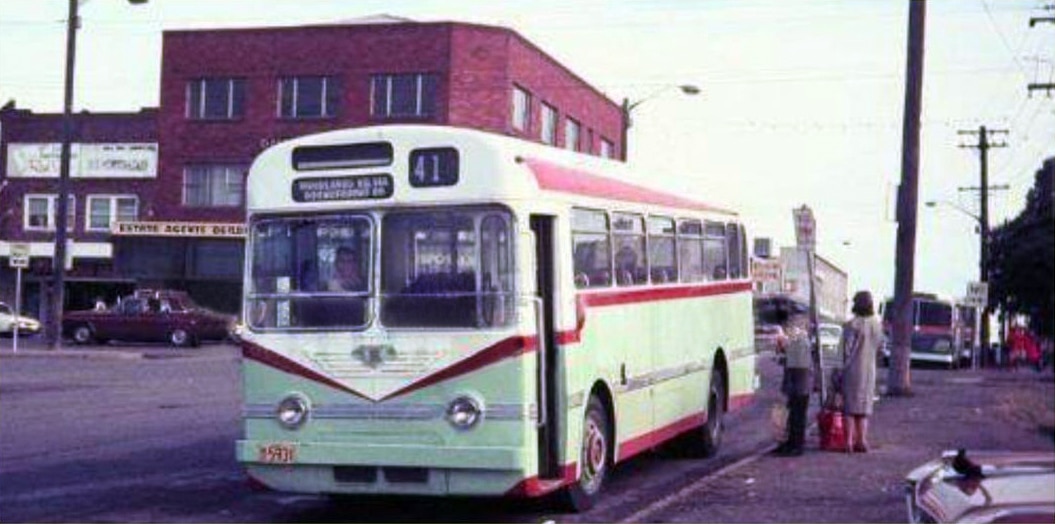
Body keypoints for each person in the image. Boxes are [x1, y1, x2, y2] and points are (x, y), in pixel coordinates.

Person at [841, 290, 884, 453]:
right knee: (864, 409)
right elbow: (880, 347)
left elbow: (846, 350)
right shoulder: (876, 325)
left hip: (852, 370)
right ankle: (862, 441)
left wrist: (838, 370)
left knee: (850, 408)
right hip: (869, 370)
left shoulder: (852, 325)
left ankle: (848, 442)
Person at [773, 305, 812, 457]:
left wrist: (784, 347)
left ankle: (796, 446)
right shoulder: (798, 339)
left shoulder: (800, 339)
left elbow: (798, 363)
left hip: (800, 385)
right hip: (797, 385)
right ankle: (791, 443)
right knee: (793, 416)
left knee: (798, 417)